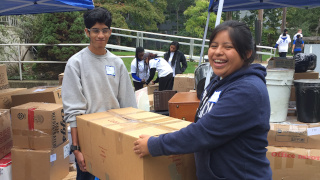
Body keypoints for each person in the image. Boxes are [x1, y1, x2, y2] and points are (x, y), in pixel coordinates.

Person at [133, 20, 272, 180]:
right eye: (213, 46)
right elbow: (201, 124)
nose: (218, 52)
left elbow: (203, 133)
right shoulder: (218, 80)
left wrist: (154, 145)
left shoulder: (247, 90)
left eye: (228, 47)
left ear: (247, 53)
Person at [62, 7, 137, 180]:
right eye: (95, 31)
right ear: (87, 32)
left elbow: (129, 105)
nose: (100, 35)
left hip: (116, 136)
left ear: (110, 32)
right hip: (89, 140)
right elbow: (73, 111)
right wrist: (77, 149)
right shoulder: (76, 63)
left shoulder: (117, 63)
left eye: (104, 30)